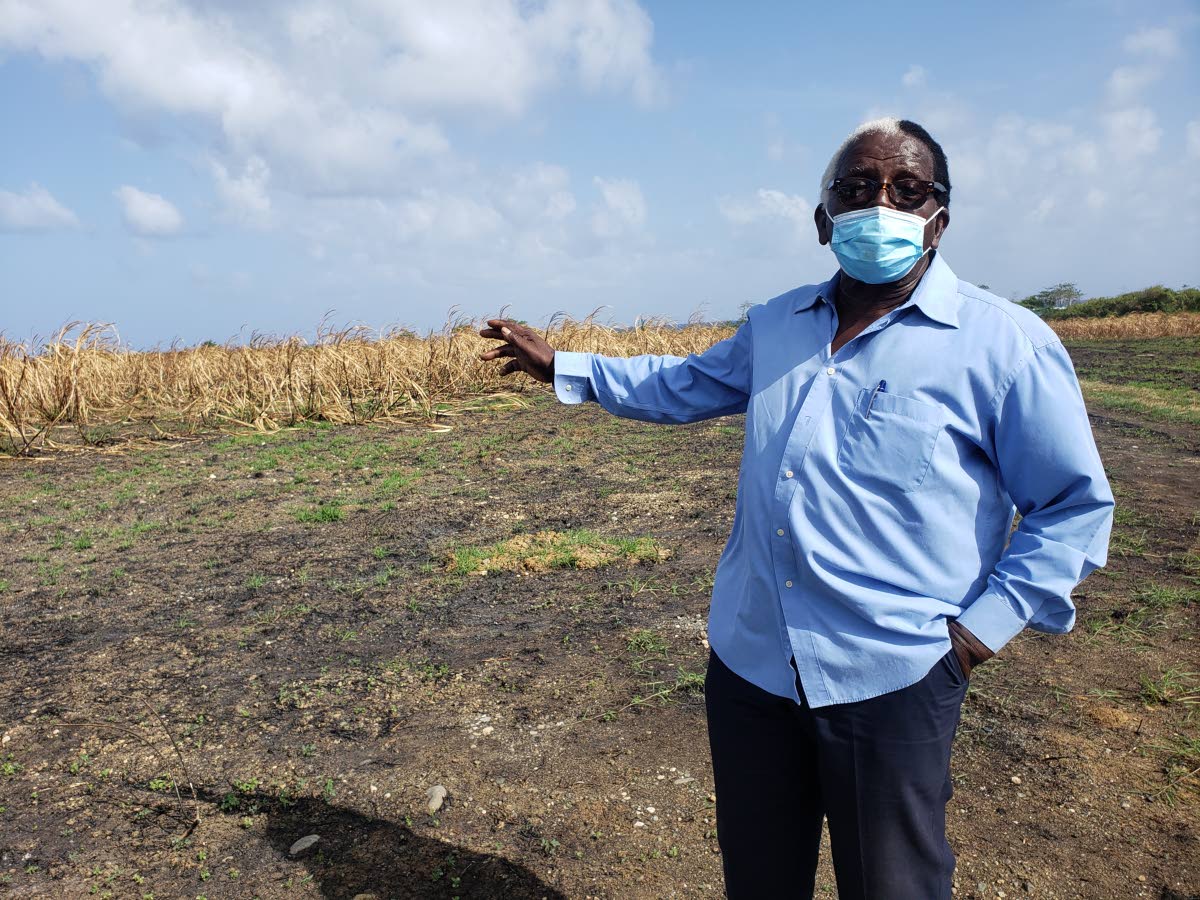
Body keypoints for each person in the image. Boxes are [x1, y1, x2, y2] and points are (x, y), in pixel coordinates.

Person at [477, 117, 1113, 900]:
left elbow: (1072, 508)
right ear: (823, 221)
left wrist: (973, 639)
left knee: (894, 887)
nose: (880, 203)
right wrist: (563, 369)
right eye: (855, 189)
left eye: (907, 190)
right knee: (761, 878)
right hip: (752, 666)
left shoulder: (1005, 345)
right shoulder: (777, 325)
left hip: (896, 674)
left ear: (938, 219)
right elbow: (682, 385)